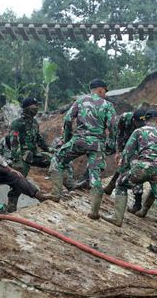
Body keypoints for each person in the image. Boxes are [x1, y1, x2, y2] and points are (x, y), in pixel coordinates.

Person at [103, 110, 157, 248]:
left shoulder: (138, 132)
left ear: (146, 120)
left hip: (141, 168)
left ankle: (117, 218)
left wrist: (123, 169)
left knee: (121, 184)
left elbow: (127, 152)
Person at [50, 79, 116, 219]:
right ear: (100, 90)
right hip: (97, 144)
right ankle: (94, 212)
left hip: (79, 140)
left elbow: (68, 119)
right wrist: (110, 144)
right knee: (95, 176)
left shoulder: (80, 101)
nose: (105, 94)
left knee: (57, 159)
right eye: (105, 91)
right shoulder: (108, 105)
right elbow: (112, 126)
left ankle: (55, 194)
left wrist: (68, 139)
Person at [6, 97, 53, 212]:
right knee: (18, 182)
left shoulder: (34, 122)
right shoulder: (17, 123)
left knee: (55, 161)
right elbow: (14, 142)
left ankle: (62, 190)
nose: (36, 108)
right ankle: (11, 209)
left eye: (37, 105)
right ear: (26, 108)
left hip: (33, 154)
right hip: (22, 156)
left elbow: (39, 139)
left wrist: (49, 149)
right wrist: (17, 161)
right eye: (34, 106)